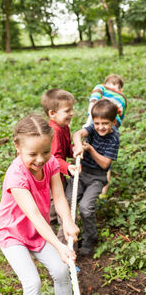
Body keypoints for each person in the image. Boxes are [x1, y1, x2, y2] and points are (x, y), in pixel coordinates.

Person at [0, 114, 79, 295]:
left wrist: (68, 222)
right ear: (18, 147)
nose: (40, 159)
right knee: (33, 283)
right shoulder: (16, 177)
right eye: (33, 154)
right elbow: (34, 215)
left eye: (46, 151)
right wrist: (59, 245)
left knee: (62, 270)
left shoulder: (50, 164)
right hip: (13, 234)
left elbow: (58, 197)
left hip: (37, 232)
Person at [68, 99, 119, 256]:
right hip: (82, 172)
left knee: (85, 207)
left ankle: (90, 237)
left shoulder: (113, 138)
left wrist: (89, 149)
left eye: (105, 123)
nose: (100, 127)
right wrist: (78, 145)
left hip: (97, 177)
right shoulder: (93, 129)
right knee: (69, 201)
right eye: (97, 123)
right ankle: (71, 239)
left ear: (113, 122)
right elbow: (77, 133)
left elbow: (105, 164)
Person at [41, 89, 78, 242]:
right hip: (50, 177)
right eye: (67, 111)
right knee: (60, 207)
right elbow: (53, 157)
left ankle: (51, 224)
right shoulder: (53, 132)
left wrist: (74, 149)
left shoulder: (64, 127)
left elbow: (64, 149)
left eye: (72, 110)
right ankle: (61, 242)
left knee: (55, 206)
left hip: (58, 174)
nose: (72, 113)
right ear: (52, 113)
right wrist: (67, 167)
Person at [83, 74, 127, 198]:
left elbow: (119, 116)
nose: (112, 89)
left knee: (106, 164)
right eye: (110, 86)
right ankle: (90, 187)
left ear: (121, 89)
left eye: (116, 87)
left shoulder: (120, 99)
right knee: (89, 150)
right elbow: (95, 94)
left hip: (109, 128)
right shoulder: (103, 89)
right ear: (105, 84)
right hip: (98, 121)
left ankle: (103, 194)